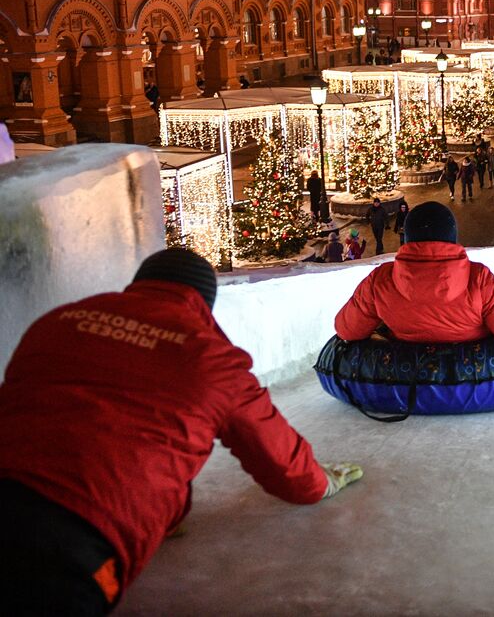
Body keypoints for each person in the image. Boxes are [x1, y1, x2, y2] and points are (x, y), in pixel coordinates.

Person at [0, 249, 362, 612]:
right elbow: (276, 455)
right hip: (74, 538)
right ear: (205, 302)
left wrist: (170, 514)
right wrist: (319, 482)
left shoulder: (58, 321)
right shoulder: (211, 357)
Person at [334, 203, 494, 354]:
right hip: (472, 381)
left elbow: (346, 329)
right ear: (453, 238)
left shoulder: (380, 280)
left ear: (407, 239)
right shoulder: (478, 279)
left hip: (404, 383)